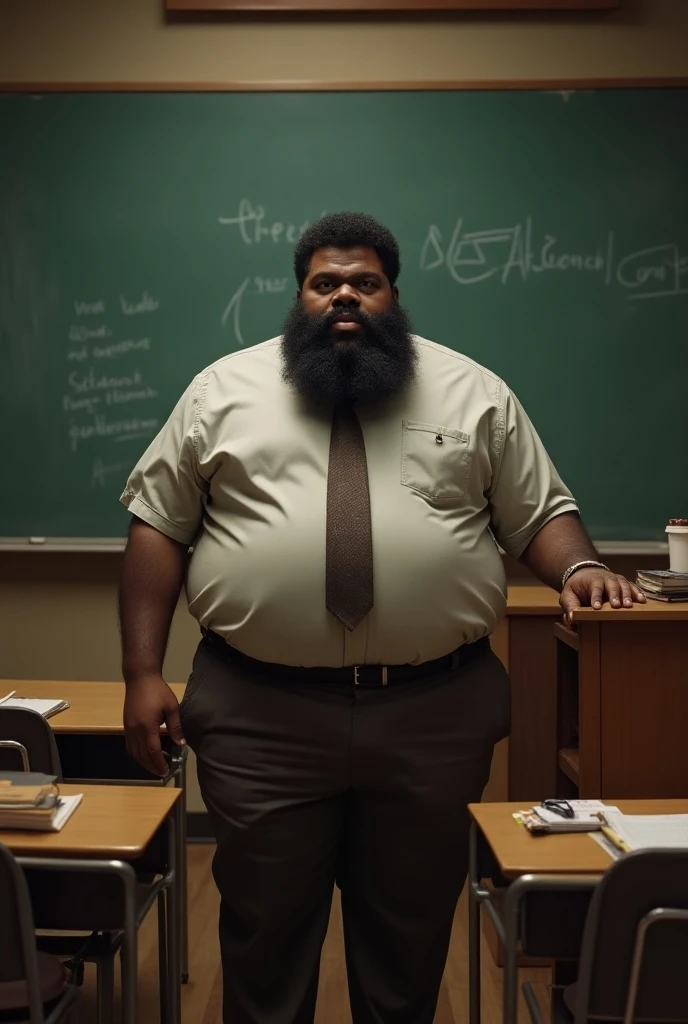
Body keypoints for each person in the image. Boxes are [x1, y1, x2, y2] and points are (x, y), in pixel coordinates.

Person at [118, 212, 644, 1024]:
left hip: (432, 713)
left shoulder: (474, 391)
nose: (344, 297)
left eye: (364, 282)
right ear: (299, 297)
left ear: (394, 295)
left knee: (410, 936)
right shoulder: (220, 391)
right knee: (264, 933)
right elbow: (158, 526)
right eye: (325, 283)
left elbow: (539, 514)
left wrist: (579, 566)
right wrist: (142, 673)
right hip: (261, 714)